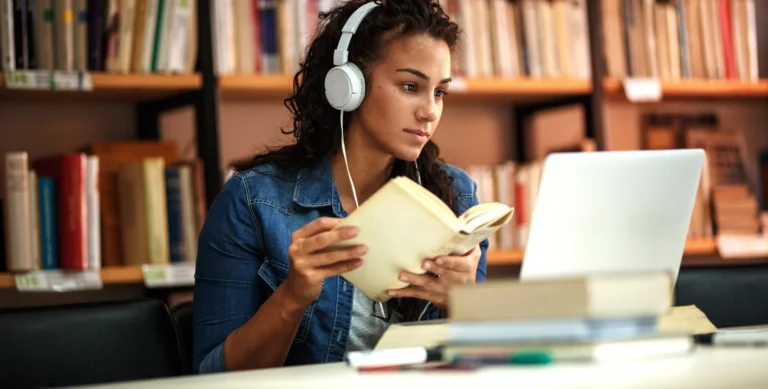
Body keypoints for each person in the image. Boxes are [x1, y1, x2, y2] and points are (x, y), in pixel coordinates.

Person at [192, 0, 489, 374]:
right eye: (411, 86)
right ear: (348, 85)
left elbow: (479, 366)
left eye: (439, 92)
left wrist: (466, 303)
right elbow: (213, 375)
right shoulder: (252, 201)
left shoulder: (455, 195)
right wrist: (292, 296)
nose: (429, 111)